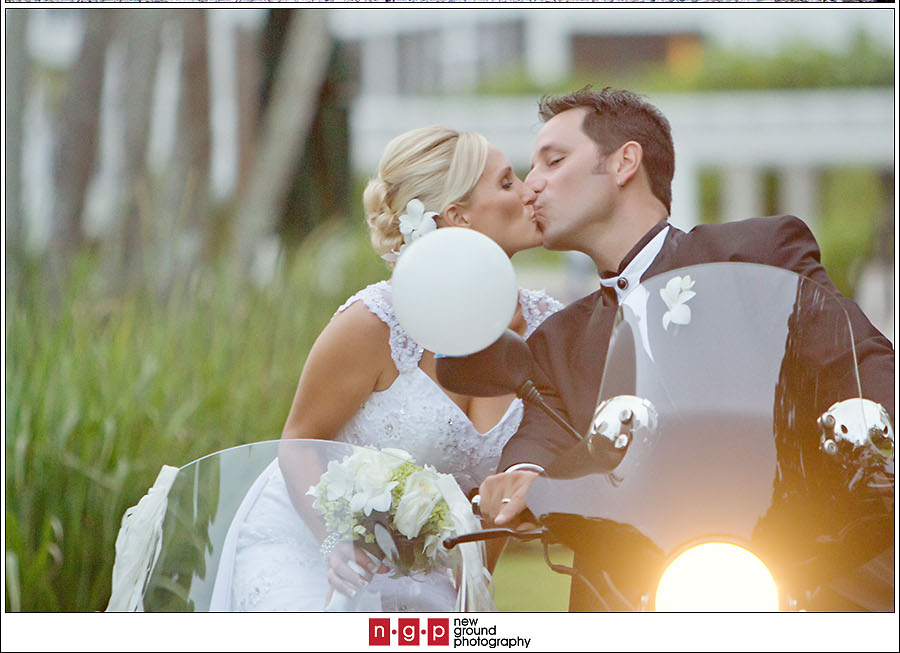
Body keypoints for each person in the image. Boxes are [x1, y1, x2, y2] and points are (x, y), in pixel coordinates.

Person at [478, 87, 894, 609]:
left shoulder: (757, 252)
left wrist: (879, 423)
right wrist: (523, 478)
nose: (529, 187)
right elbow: (538, 437)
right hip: (636, 588)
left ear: (625, 162)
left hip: (797, 562)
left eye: (553, 161)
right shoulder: (558, 340)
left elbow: (858, 360)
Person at [209, 125, 561, 612]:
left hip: (424, 567)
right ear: (458, 217)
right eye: (507, 183)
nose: (529, 191)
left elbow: (492, 505)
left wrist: (472, 599)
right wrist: (334, 542)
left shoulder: (552, 330)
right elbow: (298, 439)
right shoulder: (376, 323)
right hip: (311, 548)